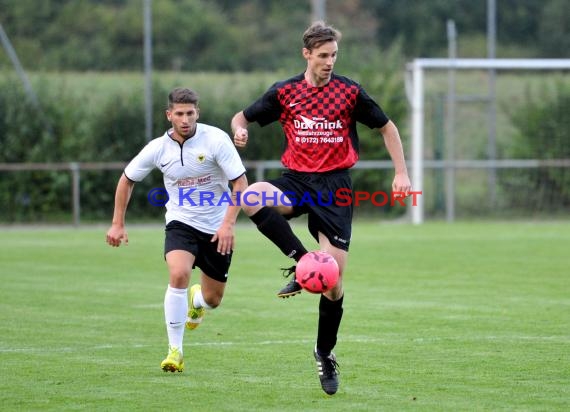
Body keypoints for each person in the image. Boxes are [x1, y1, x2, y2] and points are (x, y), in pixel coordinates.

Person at [231, 21, 411, 395]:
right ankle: (300, 259)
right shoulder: (285, 92)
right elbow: (241, 117)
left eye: (334, 56)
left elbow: (387, 127)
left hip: (334, 187)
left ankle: (324, 353)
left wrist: (401, 174)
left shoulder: (348, 92)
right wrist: (240, 131)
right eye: (324, 55)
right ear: (307, 54)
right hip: (296, 180)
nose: (329, 62)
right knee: (251, 196)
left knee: (332, 283)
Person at [106, 87, 248, 373]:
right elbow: (127, 179)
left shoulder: (216, 139)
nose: (185, 119)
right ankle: (175, 351)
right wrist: (117, 223)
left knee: (213, 300)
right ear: (169, 115)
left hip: (217, 227)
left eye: (190, 113)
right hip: (180, 223)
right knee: (178, 273)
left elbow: (241, 184)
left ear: (198, 113)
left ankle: (196, 301)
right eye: (179, 113)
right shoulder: (158, 148)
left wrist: (228, 225)